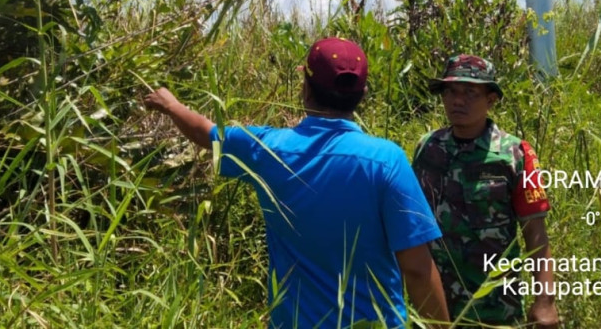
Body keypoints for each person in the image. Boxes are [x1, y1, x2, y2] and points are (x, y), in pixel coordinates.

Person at [143, 37, 450, 328]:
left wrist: (171, 105)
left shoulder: (267, 149)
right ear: (363, 95)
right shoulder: (387, 160)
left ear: (305, 88)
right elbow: (417, 269)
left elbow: (206, 134)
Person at [412, 54, 559, 328]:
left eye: (470, 92)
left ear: (491, 100)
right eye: (451, 91)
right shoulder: (427, 148)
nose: (458, 100)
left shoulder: (515, 154)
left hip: (495, 309)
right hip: (434, 308)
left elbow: (535, 234)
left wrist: (545, 300)